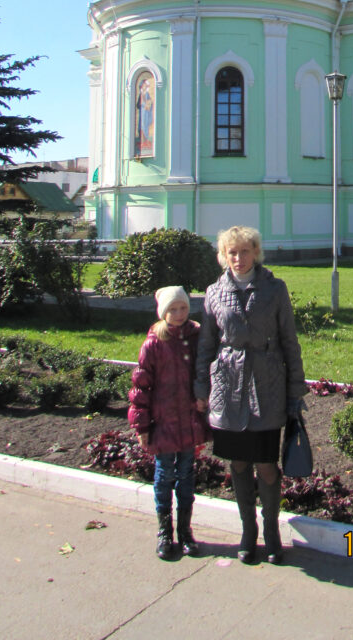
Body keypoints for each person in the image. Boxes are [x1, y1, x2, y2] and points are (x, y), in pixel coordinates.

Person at [195, 226, 307, 564]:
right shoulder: (214, 292)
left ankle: (270, 530)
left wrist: (295, 389)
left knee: (267, 465)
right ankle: (248, 532)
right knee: (239, 463)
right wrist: (201, 386)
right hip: (228, 386)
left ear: (255, 253)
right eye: (232, 253)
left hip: (267, 384)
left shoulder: (274, 289)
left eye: (245, 252)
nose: (239, 259)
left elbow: (289, 339)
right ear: (223, 256)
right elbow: (206, 345)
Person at [128, 286, 208, 560]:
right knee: (164, 477)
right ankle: (165, 531)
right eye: (172, 309)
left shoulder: (195, 339)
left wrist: (203, 400)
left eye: (183, 308)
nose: (178, 314)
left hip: (187, 422)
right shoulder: (154, 344)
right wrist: (142, 427)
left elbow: (204, 371)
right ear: (163, 313)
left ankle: (185, 531)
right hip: (163, 423)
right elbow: (141, 388)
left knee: (186, 477)